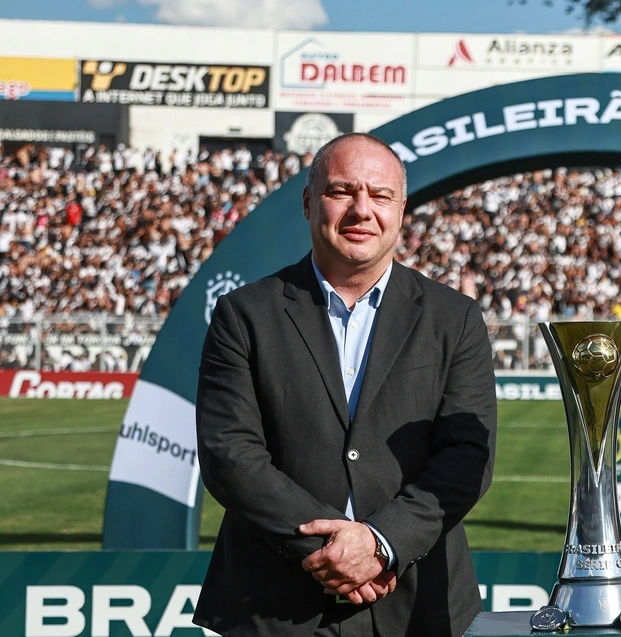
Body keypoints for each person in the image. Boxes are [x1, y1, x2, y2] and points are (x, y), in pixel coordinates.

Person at [193, 133, 497, 636]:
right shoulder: (245, 314)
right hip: (274, 607)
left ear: (401, 209)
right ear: (310, 202)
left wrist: (380, 544)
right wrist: (333, 551)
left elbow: (467, 457)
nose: (362, 210)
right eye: (342, 192)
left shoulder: (455, 318)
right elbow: (229, 453)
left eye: (380, 196)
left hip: (416, 604)